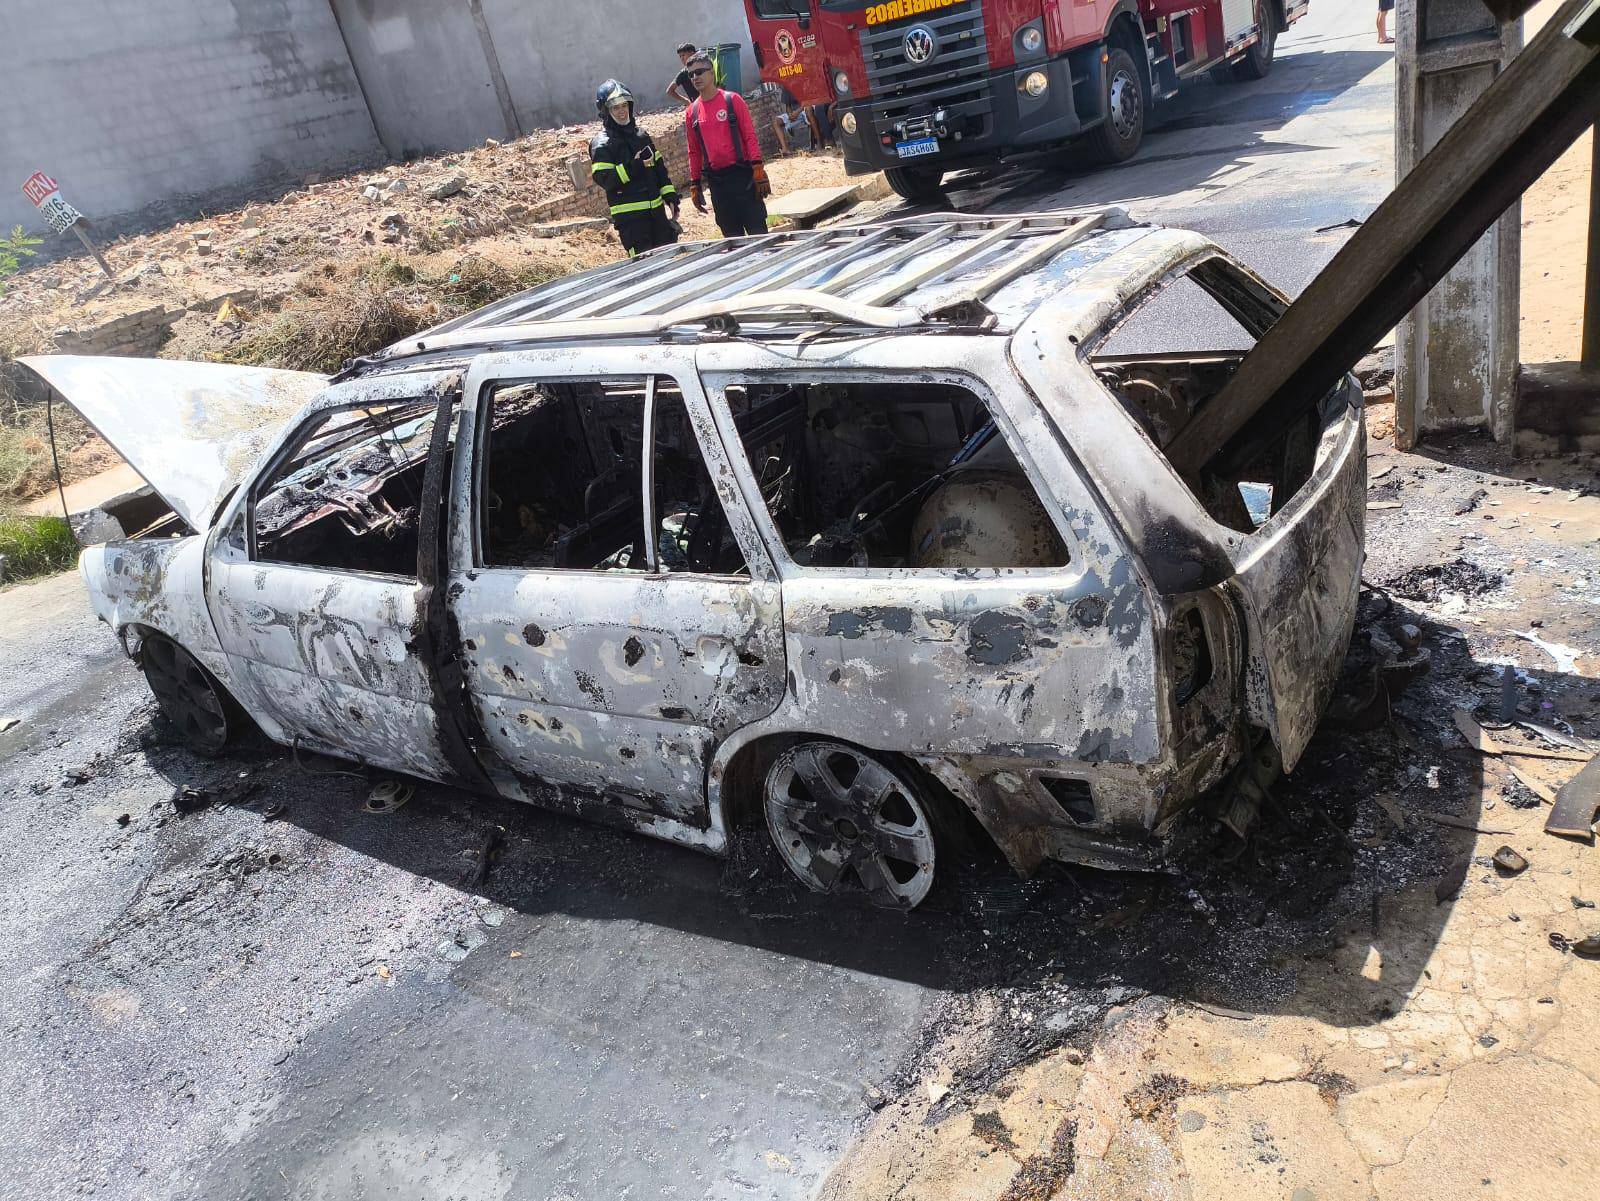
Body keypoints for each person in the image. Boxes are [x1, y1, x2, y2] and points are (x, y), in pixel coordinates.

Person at [589, 80, 680, 258]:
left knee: (670, 263)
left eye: (624, 105)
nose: (622, 111)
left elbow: (659, 169)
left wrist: (669, 195)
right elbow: (605, 179)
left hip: (657, 216)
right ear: (605, 111)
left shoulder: (641, 136)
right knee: (646, 270)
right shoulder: (601, 144)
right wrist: (634, 166)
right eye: (615, 107)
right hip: (632, 222)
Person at [684, 52, 770, 239]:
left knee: (759, 235)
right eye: (690, 74)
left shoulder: (732, 100)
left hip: (743, 177)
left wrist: (758, 168)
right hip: (718, 183)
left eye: (699, 72)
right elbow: (694, 151)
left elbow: (749, 136)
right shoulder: (692, 112)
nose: (695, 77)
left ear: (712, 72)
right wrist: (695, 184)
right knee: (732, 240)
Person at [771, 89, 815, 155]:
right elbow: (788, 106)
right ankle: (785, 149)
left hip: (806, 109)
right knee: (776, 121)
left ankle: (819, 142)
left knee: (809, 110)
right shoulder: (786, 88)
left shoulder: (802, 82)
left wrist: (797, 112)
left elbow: (808, 101)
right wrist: (790, 115)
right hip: (795, 114)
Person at [665, 41, 699, 107]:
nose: (682, 58)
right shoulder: (684, 73)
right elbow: (669, 91)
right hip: (696, 106)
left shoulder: (704, 68)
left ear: (692, 54)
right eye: (680, 56)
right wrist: (686, 101)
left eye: (683, 55)